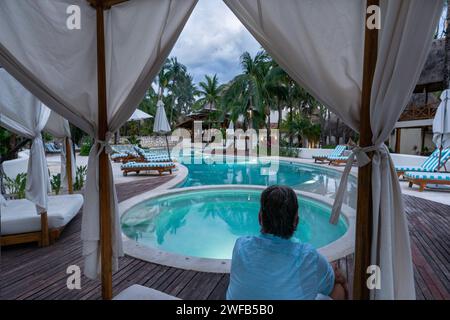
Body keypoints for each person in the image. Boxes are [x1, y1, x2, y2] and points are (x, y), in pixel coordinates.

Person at [226, 185, 348, 300]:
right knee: (338, 288)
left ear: (259, 218)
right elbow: (332, 282)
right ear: (296, 221)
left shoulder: (241, 246)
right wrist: (330, 270)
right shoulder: (307, 257)